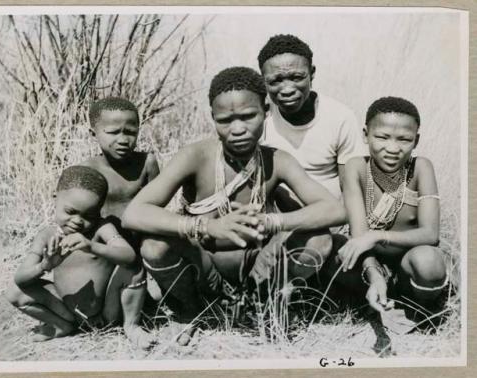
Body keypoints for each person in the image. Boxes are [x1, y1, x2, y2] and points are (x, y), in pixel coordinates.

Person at [122, 66, 346, 346]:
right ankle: (192, 308)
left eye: (248, 116)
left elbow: (334, 209)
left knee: (319, 240)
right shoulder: (195, 156)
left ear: (266, 111)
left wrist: (272, 222)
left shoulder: (278, 161)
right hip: (204, 267)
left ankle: (263, 303)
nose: (238, 129)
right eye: (225, 120)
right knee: (154, 246)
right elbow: (134, 213)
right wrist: (205, 225)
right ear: (213, 118)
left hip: (258, 268)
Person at [333, 96, 447, 317]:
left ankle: (416, 308)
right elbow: (359, 237)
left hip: (407, 263)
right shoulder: (356, 167)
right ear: (366, 135)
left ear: (417, 140)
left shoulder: (421, 168)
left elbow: (431, 234)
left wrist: (377, 236)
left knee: (429, 262)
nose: (393, 148)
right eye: (382, 137)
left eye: (404, 139)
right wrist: (375, 275)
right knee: (335, 251)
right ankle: (363, 300)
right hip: (367, 262)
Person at [6, 166, 137, 341]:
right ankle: (62, 326)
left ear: (98, 212)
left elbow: (129, 255)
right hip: (66, 311)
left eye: (89, 216)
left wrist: (91, 246)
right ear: (55, 198)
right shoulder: (47, 236)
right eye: (70, 212)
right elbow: (20, 279)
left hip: (105, 314)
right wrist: (44, 266)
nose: (77, 221)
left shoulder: (101, 229)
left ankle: (131, 326)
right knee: (14, 292)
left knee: (133, 269)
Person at [81, 97, 160, 348]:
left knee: (156, 295)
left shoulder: (147, 163)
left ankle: (135, 316)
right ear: (93, 133)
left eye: (131, 131)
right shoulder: (89, 169)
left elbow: (158, 208)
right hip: (107, 250)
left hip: (143, 246)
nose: (123, 139)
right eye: (113, 132)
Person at [257, 34, 364, 204]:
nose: (287, 89)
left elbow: (351, 187)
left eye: (296, 77)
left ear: (312, 73)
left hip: (331, 218)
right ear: (263, 82)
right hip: (275, 220)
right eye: (276, 81)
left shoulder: (340, 117)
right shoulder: (259, 120)